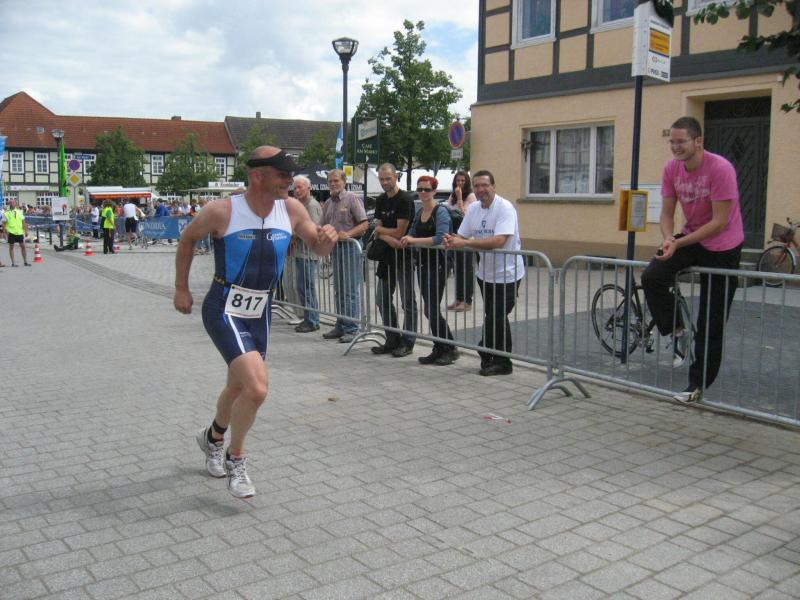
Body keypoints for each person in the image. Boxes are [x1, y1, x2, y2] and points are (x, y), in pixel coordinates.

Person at [174, 146, 337, 499]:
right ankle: (236, 457)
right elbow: (187, 239)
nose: (289, 180)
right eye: (282, 174)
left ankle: (212, 438)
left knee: (238, 388)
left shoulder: (291, 209)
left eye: (290, 174)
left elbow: (318, 247)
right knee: (258, 389)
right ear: (257, 175)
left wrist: (327, 241)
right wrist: (181, 288)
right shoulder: (222, 210)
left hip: (260, 310)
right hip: (224, 307)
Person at [641, 116, 744, 404]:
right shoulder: (671, 168)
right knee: (652, 276)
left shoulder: (720, 168)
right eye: (672, 141)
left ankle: (696, 386)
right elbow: (666, 213)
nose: (675, 147)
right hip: (691, 237)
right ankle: (677, 331)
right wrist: (668, 238)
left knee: (711, 320)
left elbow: (719, 223)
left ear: (698, 141)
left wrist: (678, 242)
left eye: (681, 141)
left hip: (723, 246)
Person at [444, 170, 525, 376]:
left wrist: (465, 243)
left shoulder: (505, 208)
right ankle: (494, 357)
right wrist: (452, 240)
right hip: (485, 274)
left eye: (485, 185)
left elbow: (499, 241)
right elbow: (461, 235)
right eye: (477, 186)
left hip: (508, 274)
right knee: (495, 317)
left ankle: (494, 355)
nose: (481, 190)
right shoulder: (473, 209)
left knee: (497, 316)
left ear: (493, 187)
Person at [400, 176, 458, 365]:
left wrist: (413, 241)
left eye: (426, 189)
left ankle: (449, 348)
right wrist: (407, 238)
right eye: (420, 189)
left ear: (434, 191)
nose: (423, 193)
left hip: (438, 265)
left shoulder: (440, 212)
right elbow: (412, 231)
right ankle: (440, 347)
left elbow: (440, 237)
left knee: (431, 309)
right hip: (423, 264)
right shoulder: (420, 212)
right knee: (429, 309)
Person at [371, 163, 418, 357]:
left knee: (407, 301)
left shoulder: (405, 200)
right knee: (381, 299)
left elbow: (400, 232)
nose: (384, 182)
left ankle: (408, 341)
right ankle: (392, 339)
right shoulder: (381, 200)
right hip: (386, 256)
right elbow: (378, 230)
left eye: (388, 178)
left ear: (396, 177)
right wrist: (386, 236)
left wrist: (382, 232)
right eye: (381, 179)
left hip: (404, 257)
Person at [320, 169, 368, 344]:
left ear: (344, 182)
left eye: (336, 181)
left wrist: (348, 234)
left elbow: (364, 224)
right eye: (330, 181)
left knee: (350, 290)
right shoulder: (328, 203)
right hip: (336, 249)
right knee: (339, 289)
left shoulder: (352, 198)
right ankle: (341, 324)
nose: (333, 184)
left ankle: (352, 328)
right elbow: (323, 225)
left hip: (350, 248)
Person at [292, 175, 323, 333]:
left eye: (300, 187)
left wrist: (294, 233)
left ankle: (312, 320)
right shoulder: (300, 205)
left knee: (307, 287)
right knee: (302, 287)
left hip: (309, 253)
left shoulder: (311, 205)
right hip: (300, 252)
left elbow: (314, 230)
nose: (297, 190)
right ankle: (309, 318)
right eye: (295, 188)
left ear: (308, 188)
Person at [446, 171, 477, 312]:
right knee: (457, 269)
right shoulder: (451, 197)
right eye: (458, 180)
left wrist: (459, 198)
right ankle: (459, 298)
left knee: (466, 269)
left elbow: (466, 215)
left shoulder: (471, 197)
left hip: (467, 239)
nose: (460, 183)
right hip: (455, 236)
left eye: (463, 181)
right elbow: (448, 213)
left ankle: (467, 300)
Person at [3, 199, 31, 266]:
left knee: (23, 247)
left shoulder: (20, 212)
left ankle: (25, 262)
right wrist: (4, 233)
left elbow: (23, 222)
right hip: (11, 232)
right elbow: (3, 224)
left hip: (19, 232)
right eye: (11, 203)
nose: (12, 204)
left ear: (15, 204)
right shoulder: (6, 213)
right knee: (11, 247)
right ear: (9, 204)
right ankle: (13, 263)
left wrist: (26, 230)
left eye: (13, 203)